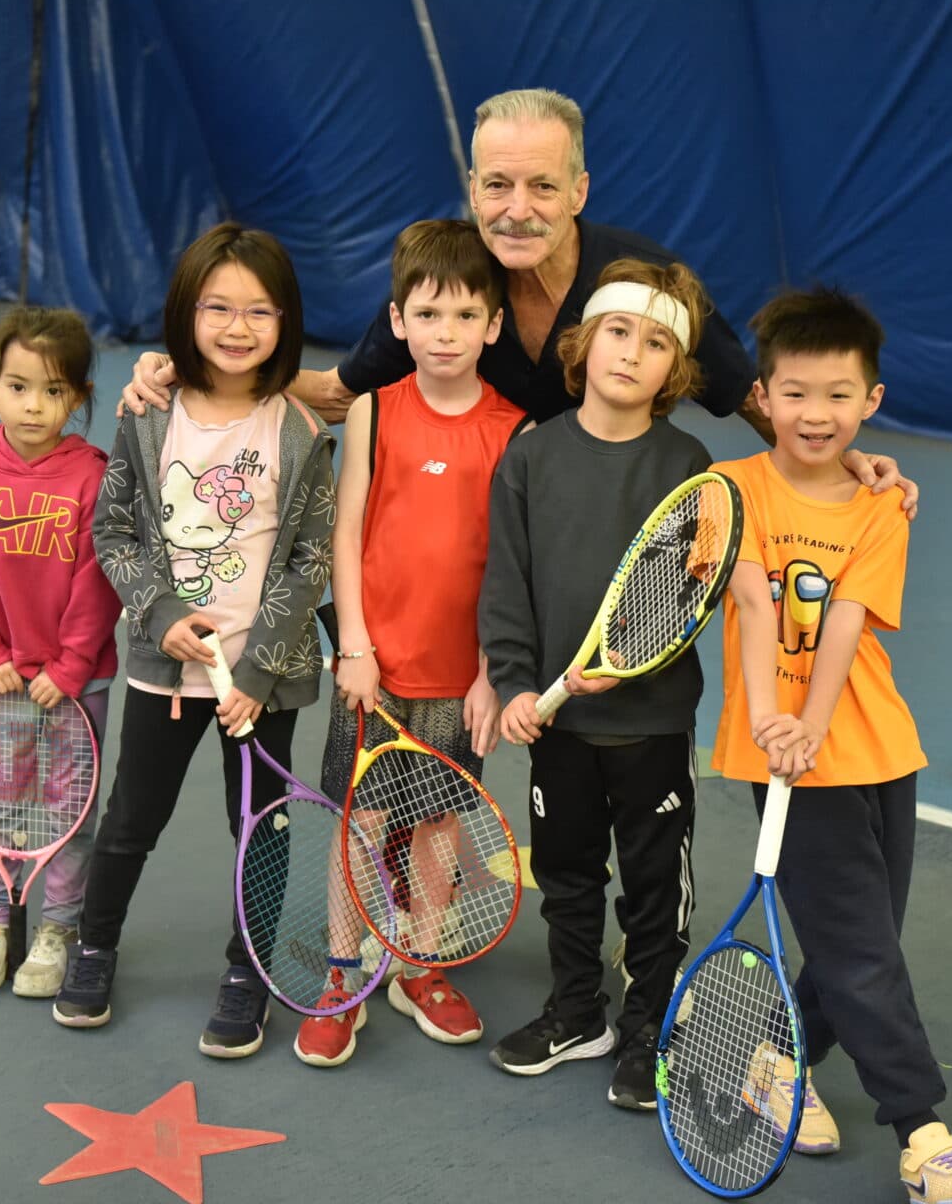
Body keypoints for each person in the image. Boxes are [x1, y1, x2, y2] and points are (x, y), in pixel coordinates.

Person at [116, 88, 917, 515]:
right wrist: (189, 367)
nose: (516, 207)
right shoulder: (447, 285)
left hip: (602, 540)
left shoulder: (645, 279)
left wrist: (842, 456)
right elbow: (333, 396)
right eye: (496, 184)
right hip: (496, 546)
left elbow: (749, 399)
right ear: (472, 189)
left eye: (541, 185)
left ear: (579, 191)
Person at [709, 286, 952, 1202]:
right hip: (784, 758)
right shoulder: (730, 490)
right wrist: (771, 719)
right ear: (762, 396)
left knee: (859, 944)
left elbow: (845, 618)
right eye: (796, 393)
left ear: (871, 402)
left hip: (876, 748)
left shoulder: (883, 504)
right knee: (864, 954)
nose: (817, 413)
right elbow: (755, 600)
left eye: (839, 395)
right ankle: (925, 1137)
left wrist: (814, 720)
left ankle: (774, 1061)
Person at [52, 223, 336, 1062]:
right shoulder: (148, 416)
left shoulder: (300, 432)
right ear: (187, 312)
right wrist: (160, 613)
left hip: (264, 685)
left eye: (260, 310)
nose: (238, 326)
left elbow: (309, 558)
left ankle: (247, 971)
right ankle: (93, 946)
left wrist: (258, 669)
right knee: (131, 819)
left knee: (262, 832)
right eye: (218, 307)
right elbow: (114, 530)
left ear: (286, 321)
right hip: (162, 675)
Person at [292, 219, 531, 1068]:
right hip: (375, 670)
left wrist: (490, 676)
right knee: (362, 820)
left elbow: (510, 570)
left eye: (466, 317)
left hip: (460, 680)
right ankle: (342, 972)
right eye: (428, 315)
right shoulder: (370, 412)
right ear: (397, 321)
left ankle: (419, 965)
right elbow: (347, 532)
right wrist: (352, 645)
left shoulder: (515, 432)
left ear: (494, 327)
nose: (446, 333)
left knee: (435, 825)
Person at [479, 257, 713, 1112]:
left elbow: (690, 598)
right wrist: (513, 682)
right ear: (584, 344)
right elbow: (506, 582)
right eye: (618, 331)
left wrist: (624, 665)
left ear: (675, 372)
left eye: (655, 344)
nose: (630, 353)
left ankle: (650, 1022)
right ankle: (579, 1012)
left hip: (651, 726)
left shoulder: (690, 464)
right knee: (569, 877)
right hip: (558, 729)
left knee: (654, 887)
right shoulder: (531, 457)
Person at [0, 306, 121, 998]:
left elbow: (101, 581)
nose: (34, 405)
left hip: (78, 685)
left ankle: (58, 927)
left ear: (77, 398)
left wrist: (70, 667)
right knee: (1, 799)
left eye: (52, 391)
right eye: (18, 387)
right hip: (4, 683)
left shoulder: (94, 475)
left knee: (69, 809)